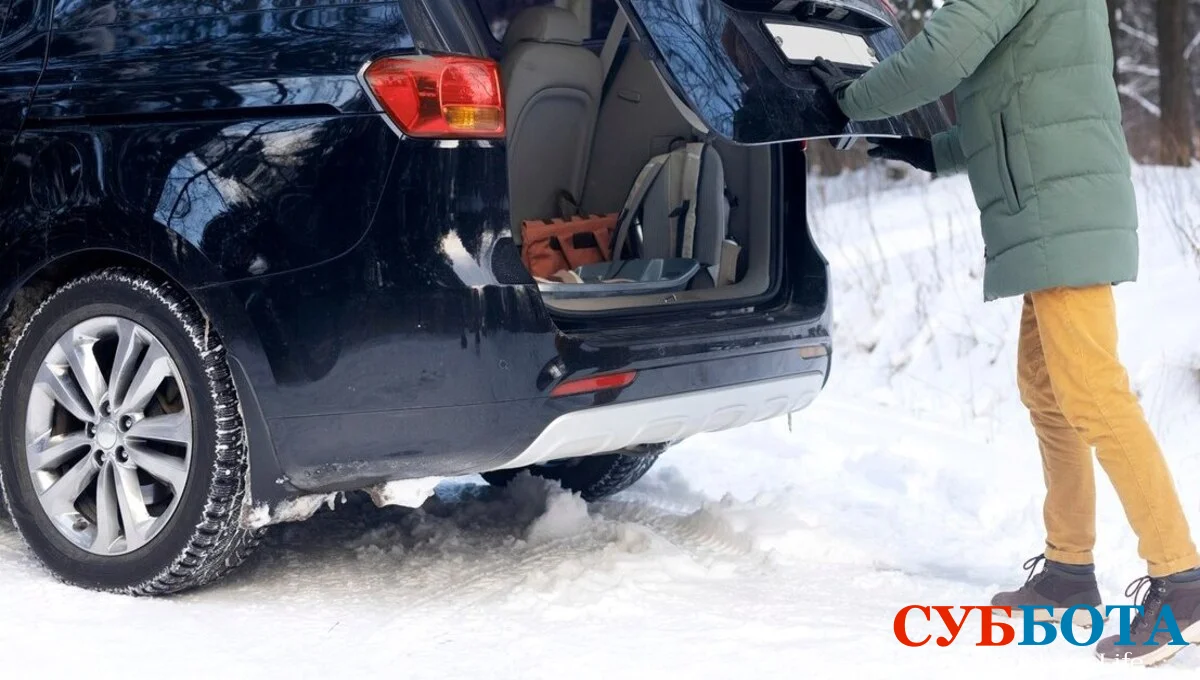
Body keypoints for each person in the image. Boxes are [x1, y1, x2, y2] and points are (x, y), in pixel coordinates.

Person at [811, 0, 1200, 665]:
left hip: (1059, 205)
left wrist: (845, 101)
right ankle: (1069, 572)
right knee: (1049, 391)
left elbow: (939, 58)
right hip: (1048, 203)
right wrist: (933, 153)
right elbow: (1017, 104)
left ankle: (1182, 581)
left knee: (1094, 394)